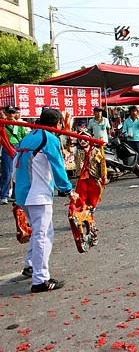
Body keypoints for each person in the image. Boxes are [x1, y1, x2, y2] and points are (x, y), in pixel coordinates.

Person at [15, 108, 79, 293]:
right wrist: (68, 190)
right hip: (37, 194)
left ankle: (30, 265)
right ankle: (40, 280)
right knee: (44, 234)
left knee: (37, 231)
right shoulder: (49, 138)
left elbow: (15, 165)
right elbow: (58, 167)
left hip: (24, 193)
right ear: (58, 124)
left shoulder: (28, 137)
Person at [1, 105, 27, 204]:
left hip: (18, 148)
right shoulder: (2, 124)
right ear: (6, 113)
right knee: (7, 173)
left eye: (13, 112)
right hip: (7, 148)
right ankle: (4, 195)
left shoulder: (19, 125)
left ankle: (16, 195)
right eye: (9, 112)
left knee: (18, 172)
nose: (11, 114)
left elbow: (24, 137)